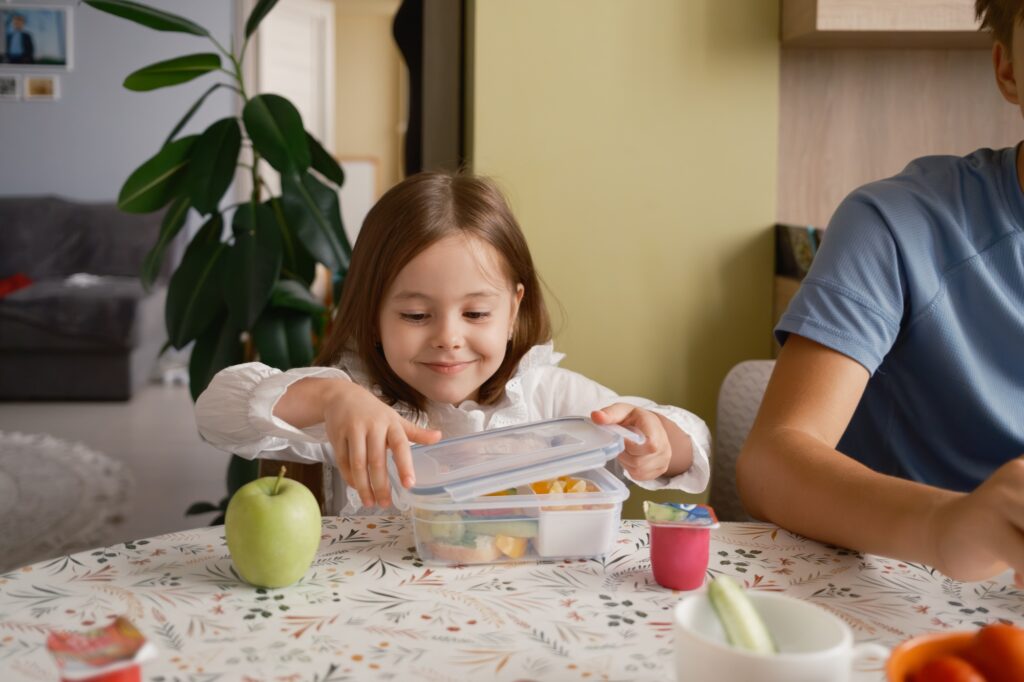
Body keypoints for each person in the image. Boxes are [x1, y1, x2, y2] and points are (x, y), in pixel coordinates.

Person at [196, 171, 710, 513]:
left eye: (476, 313)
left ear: (513, 311)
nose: (448, 337)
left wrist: (662, 442)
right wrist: (331, 398)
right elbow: (216, 412)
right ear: (373, 312)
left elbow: (695, 445)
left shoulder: (547, 397)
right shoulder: (355, 400)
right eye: (416, 314)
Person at [737, 0, 1024, 586]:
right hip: (899, 599)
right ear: (1009, 70)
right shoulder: (899, 223)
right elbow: (772, 461)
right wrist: (948, 526)